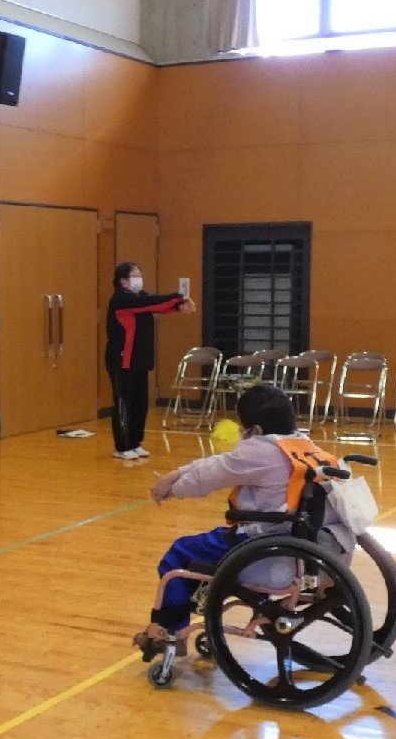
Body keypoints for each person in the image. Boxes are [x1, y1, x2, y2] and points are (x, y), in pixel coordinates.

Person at [132, 384, 351, 658]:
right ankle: (213, 606)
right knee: (209, 546)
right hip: (302, 544)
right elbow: (218, 463)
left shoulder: (260, 450)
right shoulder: (304, 445)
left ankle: (169, 631)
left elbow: (210, 474)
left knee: (180, 553)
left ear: (256, 430)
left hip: (264, 545)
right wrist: (177, 473)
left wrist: (172, 486)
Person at [105, 262, 195, 460]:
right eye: (134, 275)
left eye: (139, 274)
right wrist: (179, 297)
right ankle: (122, 447)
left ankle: (135, 442)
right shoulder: (122, 299)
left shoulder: (138, 297)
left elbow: (159, 307)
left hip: (139, 361)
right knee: (124, 402)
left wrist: (179, 306)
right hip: (122, 360)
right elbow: (154, 302)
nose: (139, 278)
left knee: (140, 403)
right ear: (123, 281)